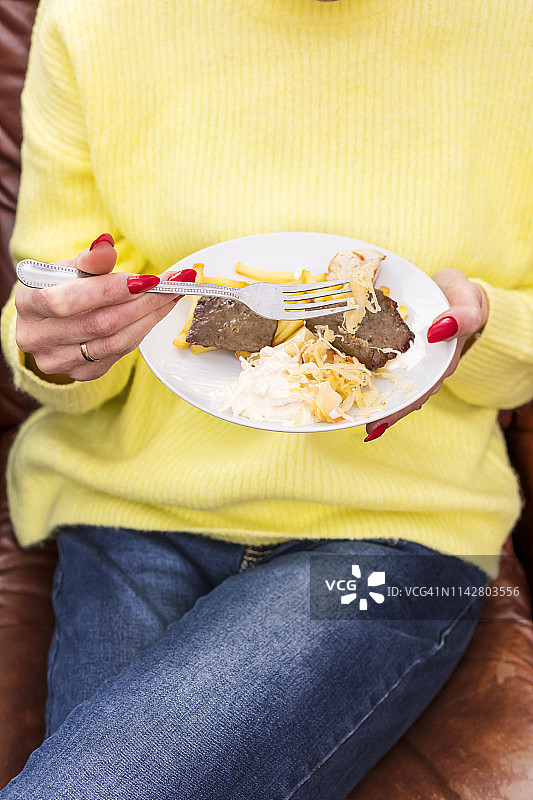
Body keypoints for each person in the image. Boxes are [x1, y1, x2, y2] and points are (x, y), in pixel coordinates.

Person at [1, 0, 532, 798]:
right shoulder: (94, 19)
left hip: (394, 538)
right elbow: (53, 309)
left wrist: (488, 326)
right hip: (131, 518)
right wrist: (64, 345)